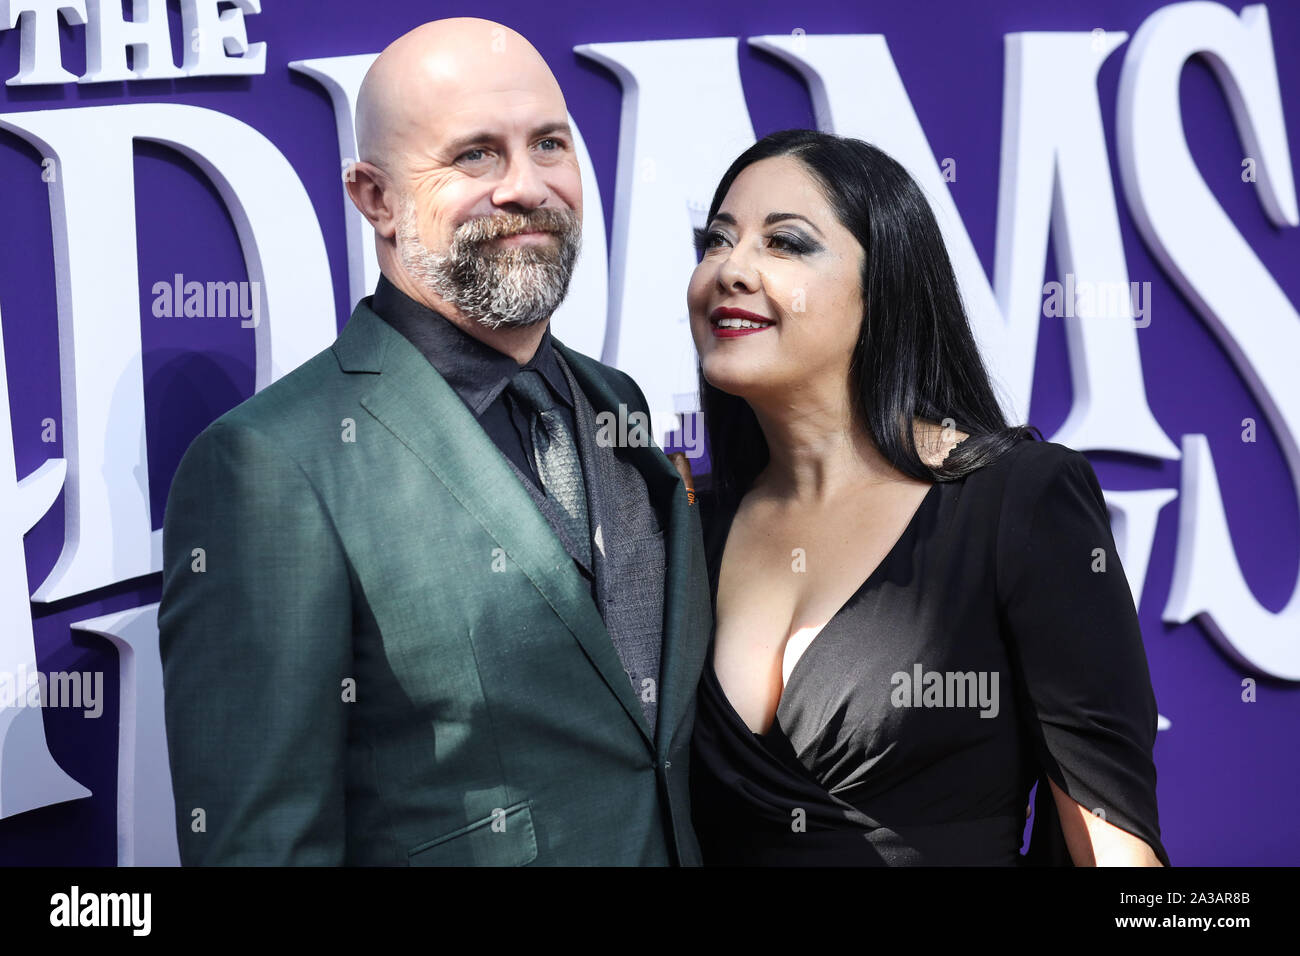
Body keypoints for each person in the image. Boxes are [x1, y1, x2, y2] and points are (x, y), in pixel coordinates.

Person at [157, 18, 711, 866]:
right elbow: (262, 847)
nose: (527, 186)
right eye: (475, 156)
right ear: (374, 198)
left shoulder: (615, 401)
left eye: (550, 144)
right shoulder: (271, 468)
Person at [686, 128, 1169, 866]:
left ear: (884, 288)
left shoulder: (1019, 500)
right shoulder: (683, 523)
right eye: (716, 240)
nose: (731, 268)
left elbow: (1112, 851)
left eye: (784, 243)